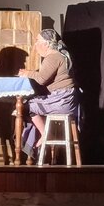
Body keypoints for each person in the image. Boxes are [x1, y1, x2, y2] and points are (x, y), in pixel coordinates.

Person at [18, 29, 79, 157]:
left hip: (61, 101)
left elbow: (41, 79)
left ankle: (46, 133)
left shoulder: (53, 57)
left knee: (25, 106)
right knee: (32, 103)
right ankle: (37, 142)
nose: (35, 44)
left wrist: (27, 73)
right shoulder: (61, 55)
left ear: (46, 44)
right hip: (67, 100)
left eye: (37, 41)